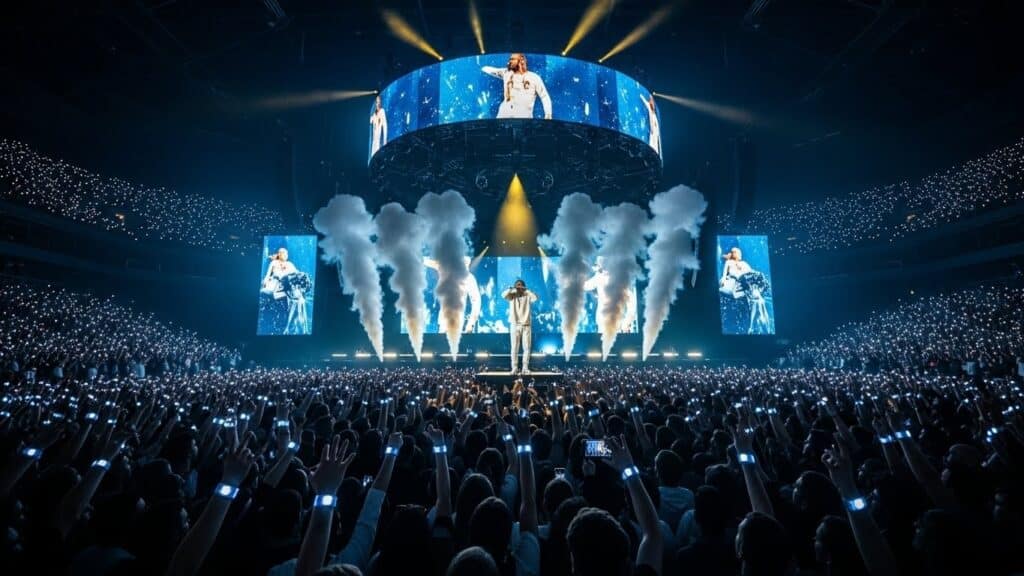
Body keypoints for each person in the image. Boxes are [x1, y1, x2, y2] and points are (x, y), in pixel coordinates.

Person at [482, 53, 552, 120]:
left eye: (512, 59)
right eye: (510, 59)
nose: (510, 61)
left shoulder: (534, 78)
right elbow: (492, 71)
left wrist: (548, 114)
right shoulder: (506, 73)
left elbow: (544, 96)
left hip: (523, 119)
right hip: (503, 117)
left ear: (521, 60)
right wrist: (482, 67)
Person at [262, 247, 311, 335]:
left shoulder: (290, 264)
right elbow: (267, 274)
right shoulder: (274, 262)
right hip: (276, 284)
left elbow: (297, 273)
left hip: (289, 286)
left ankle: (297, 325)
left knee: (299, 300)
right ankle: (287, 326)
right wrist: (266, 281)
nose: (285, 255)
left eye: (286, 253)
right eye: (283, 253)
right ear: (279, 254)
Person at [503, 279, 537, 374]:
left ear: (523, 286)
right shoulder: (512, 295)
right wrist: (512, 288)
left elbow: (535, 298)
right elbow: (504, 295)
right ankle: (514, 367)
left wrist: (526, 290)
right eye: (517, 285)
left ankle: (525, 368)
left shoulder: (527, 295)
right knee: (514, 347)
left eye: (521, 285)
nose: (519, 287)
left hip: (526, 324)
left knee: (527, 347)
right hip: (515, 324)